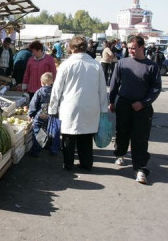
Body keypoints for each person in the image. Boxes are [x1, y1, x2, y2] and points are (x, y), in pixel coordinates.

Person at [49, 35, 108, 171]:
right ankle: (86, 164)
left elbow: (57, 89)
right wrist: (103, 109)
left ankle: (68, 164)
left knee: (69, 136)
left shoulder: (66, 65)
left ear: (71, 48)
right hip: (91, 106)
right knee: (86, 137)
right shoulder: (95, 64)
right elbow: (102, 89)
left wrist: (52, 108)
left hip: (70, 106)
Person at [109, 35, 162, 185]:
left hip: (142, 108)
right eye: (129, 48)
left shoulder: (152, 66)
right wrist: (111, 101)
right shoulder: (122, 63)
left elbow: (156, 89)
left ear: (142, 47)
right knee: (122, 132)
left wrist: (143, 103)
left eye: (133, 48)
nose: (131, 50)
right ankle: (120, 153)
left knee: (140, 138)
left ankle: (140, 169)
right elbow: (114, 83)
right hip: (123, 104)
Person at [28, 72, 54, 156]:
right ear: (52, 82)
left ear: (42, 82)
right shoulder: (54, 91)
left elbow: (33, 103)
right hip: (51, 113)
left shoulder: (39, 91)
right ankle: (48, 146)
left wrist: (30, 114)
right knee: (47, 130)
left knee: (37, 131)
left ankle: (36, 150)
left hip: (41, 114)